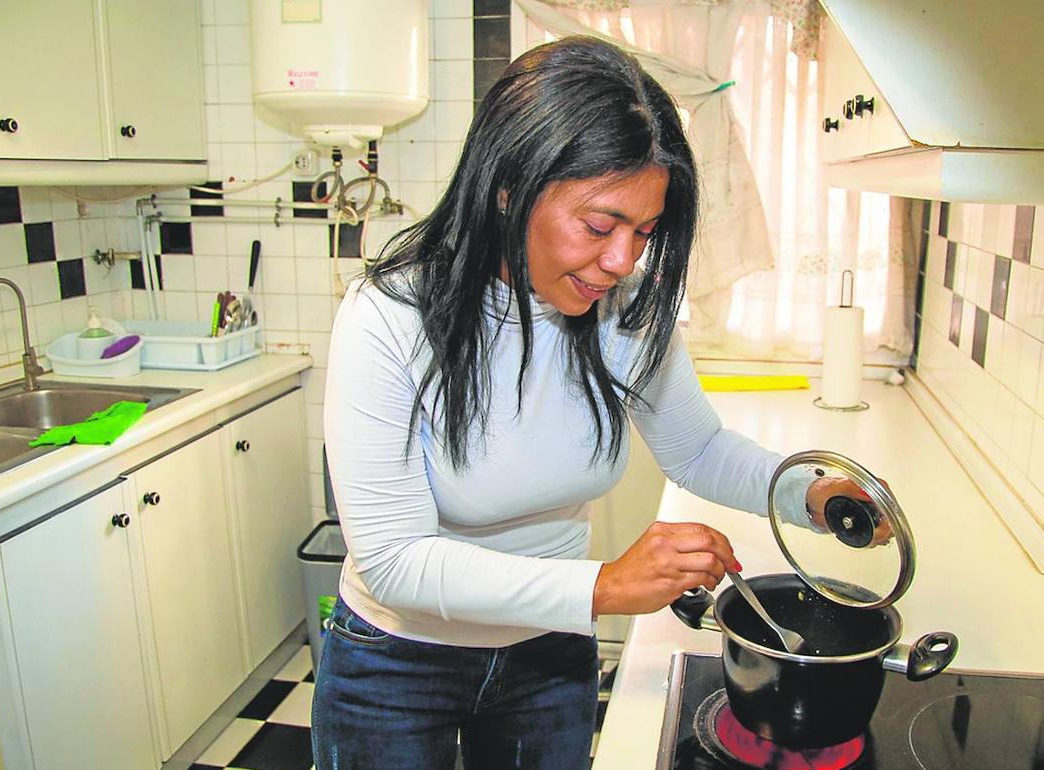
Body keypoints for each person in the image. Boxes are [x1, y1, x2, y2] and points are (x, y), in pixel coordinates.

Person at [314, 36, 790, 769]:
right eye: (600, 226)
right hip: (397, 662)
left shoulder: (623, 313)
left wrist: (814, 492)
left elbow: (697, 450)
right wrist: (602, 584)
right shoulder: (390, 316)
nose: (622, 261)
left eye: (644, 232)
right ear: (510, 188)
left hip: (548, 656)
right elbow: (396, 560)